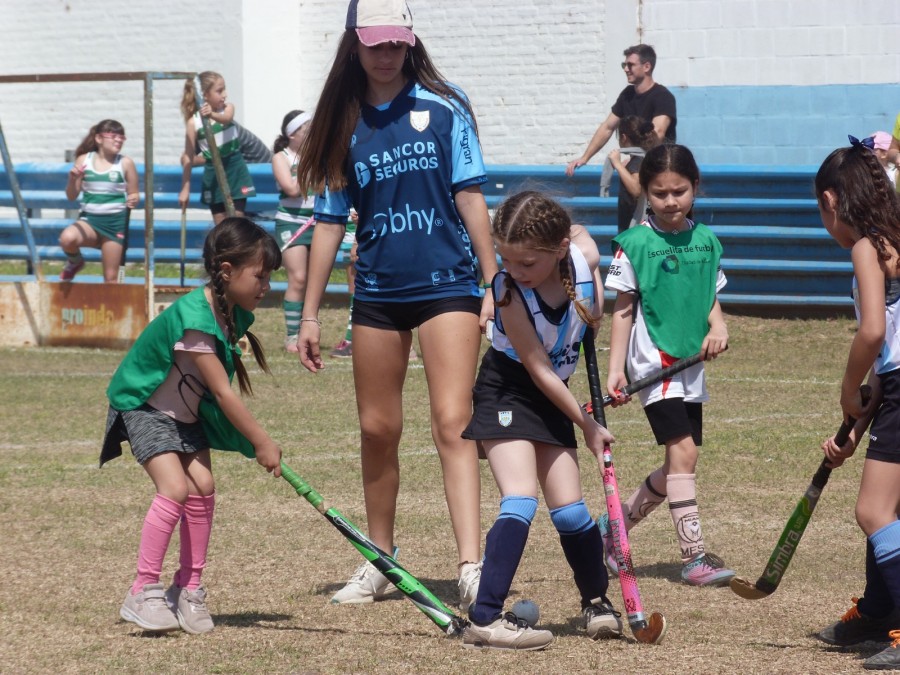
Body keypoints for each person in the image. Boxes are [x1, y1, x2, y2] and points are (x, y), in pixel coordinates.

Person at [295, 0, 499, 608]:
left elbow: (470, 197)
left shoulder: (446, 106)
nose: (386, 55)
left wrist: (493, 279)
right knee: (376, 429)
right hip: (377, 294)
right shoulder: (338, 121)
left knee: (453, 423)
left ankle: (471, 565)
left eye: (396, 43)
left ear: (410, 42)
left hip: (449, 286)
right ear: (354, 45)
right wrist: (309, 314)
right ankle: (379, 560)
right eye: (375, 43)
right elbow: (328, 224)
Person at [99, 217, 283, 633]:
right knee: (176, 489)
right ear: (227, 271)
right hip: (144, 406)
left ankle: (188, 588)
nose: (266, 285)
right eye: (261, 275)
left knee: (202, 488)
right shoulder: (196, 316)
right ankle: (143, 590)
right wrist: (262, 442)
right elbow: (222, 392)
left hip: (185, 416)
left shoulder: (228, 314)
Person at [460, 191, 620, 651]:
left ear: (556, 250)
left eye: (527, 262)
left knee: (571, 510)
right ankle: (486, 616)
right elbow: (539, 368)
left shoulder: (579, 255)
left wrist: (593, 286)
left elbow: (588, 263)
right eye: (506, 258)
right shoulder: (507, 291)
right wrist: (587, 424)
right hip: (509, 390)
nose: (514, 270)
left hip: (555, 395)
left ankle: (596, 602)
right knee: (521, 497)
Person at [601, 143, 735, 587]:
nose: (671, 201)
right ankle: (694, 558)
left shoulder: (707, 241)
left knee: (679, 463)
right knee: (685, 453)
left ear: (695, 188)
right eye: (660, 193)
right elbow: (622, 308)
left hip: (690, 363)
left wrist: (718, 327)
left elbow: (709, 296)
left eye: (679, 191)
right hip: (652, 361)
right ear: (646, 192)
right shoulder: (635, 243)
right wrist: (615, 368)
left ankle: (611, 530)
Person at [813, 137, 900, 669]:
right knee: (891, 508)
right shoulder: (894, 237)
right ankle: (877, 613)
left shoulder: (866, 246)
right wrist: (862, 409)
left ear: (830, 201)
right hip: (893, 385)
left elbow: (872, 331)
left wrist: (849, 390)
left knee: (873, 510)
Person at [565, 44, 676, 178]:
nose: (626, 69)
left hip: (661, 168)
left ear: (647, 66)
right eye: (624, 65)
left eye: (630, 65)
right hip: (638, 168)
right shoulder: (627, 95)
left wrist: (636, 159)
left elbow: (658, 132)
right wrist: (585, 158)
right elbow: (607, 127)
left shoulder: (663, 96)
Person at [59, 119, 139, 282]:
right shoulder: (84, 160)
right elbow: (71, 196)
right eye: (113, 136)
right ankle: (75, 262)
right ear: (99, 139)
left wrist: (133, 199)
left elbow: (134, 193)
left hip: (115, 224)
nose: (118, 140)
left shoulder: (125, 163)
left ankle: (114, 306)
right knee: (67, 238)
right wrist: (72, 179)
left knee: (111, 278)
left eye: (121, 137)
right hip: (90, 221)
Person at [178, 71, 256, 225]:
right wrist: (185, 188)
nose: (225, 95)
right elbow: (188, 157)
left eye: (224, 89)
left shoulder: (227, 108)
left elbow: (226, 119)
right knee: (221, 225)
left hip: (235, 168)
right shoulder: (194, 123)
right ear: (205, 95)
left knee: (237, 221)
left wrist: (211, 115)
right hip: (213, 172)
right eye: (219, 91)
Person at [272, 109, 316, 352]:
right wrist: (314, 171)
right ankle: (291, 335)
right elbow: (291, 189)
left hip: (319, 221)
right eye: (305, 129)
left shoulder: (317, 154)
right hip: (291, 221)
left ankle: (309, 330)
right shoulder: (281, 157)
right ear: (292, 135)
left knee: (313, 281)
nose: (310, 133)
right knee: (298, 278)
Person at [602, 115, 661, 233]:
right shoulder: (645, 158)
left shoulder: (638, 161)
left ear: (623, 138)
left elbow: (636, 190)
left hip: (634, 227)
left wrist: (617, 164)